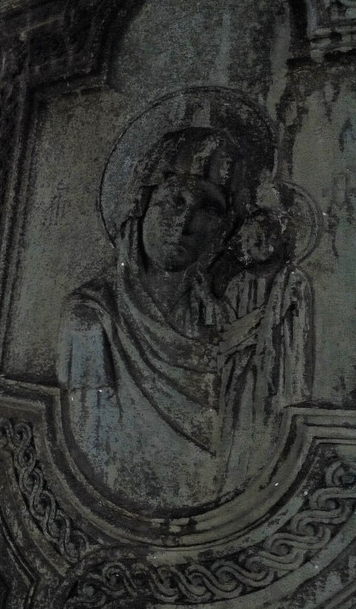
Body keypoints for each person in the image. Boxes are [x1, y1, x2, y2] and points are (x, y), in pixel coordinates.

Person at [58, 127, 311, 513]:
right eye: (173, 200)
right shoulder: (90, 318)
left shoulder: (220, 315)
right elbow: (92, 445)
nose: (185, 221)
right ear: (142, 205)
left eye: (207, 209)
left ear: (224, 226)